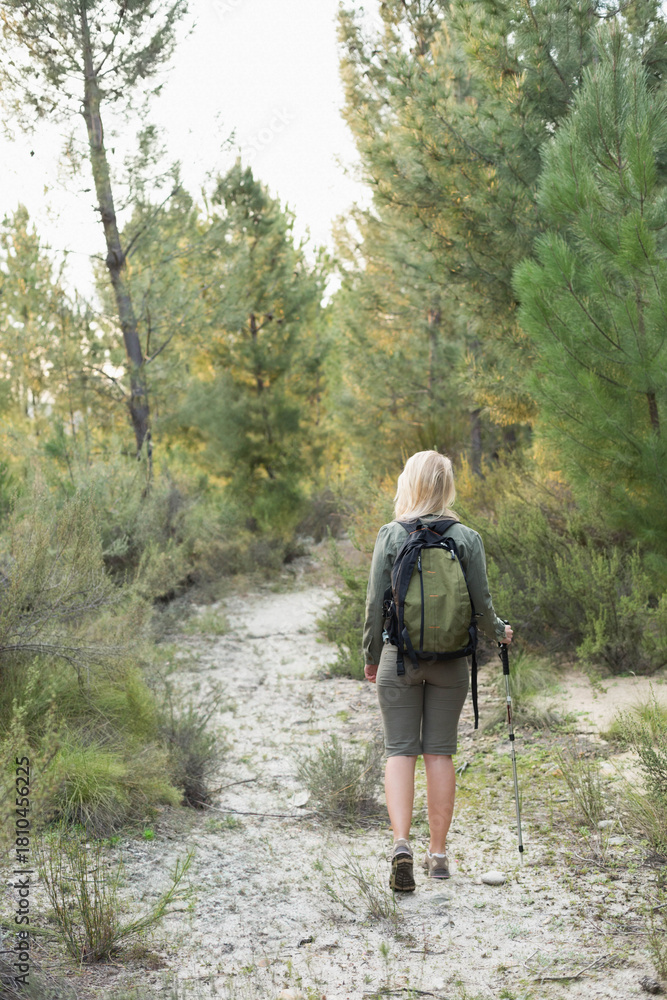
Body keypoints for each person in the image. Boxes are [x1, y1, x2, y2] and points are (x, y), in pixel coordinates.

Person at [362, 450, 513, 892]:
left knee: (400, 752)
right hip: (450, 664)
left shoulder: (391, 535)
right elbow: (482, 608)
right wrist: (501, 632)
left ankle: (401, 845)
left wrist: (372, 657)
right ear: (446, 486)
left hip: (399, 660)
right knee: (439, 753)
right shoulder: (466, 538)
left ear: (408, 483)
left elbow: (374, 608)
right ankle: (440, 855)